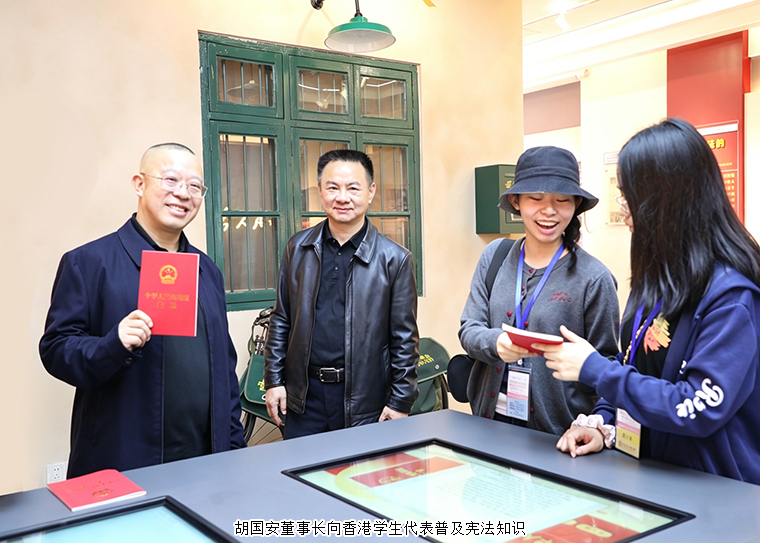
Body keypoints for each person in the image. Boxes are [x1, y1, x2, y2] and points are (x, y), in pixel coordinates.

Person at [545, 118, 760, 485]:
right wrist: (603, 423)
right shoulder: (661, 279)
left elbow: (695, 407)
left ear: (665, 201)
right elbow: (635, 365)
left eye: (629, 196)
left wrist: (595, 370)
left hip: (716, 492)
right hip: (655, 479)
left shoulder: (732, 298)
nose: (623, 208)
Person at [40, 143, 246, 478]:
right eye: (170, 180)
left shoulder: (206, 270)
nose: (183, 193)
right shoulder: (88, 263)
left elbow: (225, 366)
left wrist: (233, 447)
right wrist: (113, 344)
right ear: (139, 184)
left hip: (205, 460)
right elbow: (56, 350)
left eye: (194, 186)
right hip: (123, 459)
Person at [459, 146, 619, 435]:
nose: (549, 210)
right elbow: (469, 329)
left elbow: (606, 367)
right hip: (488, 427)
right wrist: (496, 343)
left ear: (576, 205)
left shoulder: (594, 278)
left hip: (558, 436)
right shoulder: (495, 256)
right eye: (536, 198)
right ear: (516, 201)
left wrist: (596, 427)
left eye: (562, 200)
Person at [264, 149, 419, 439]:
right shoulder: (298, 248)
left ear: (370, 192)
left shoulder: (395, 259)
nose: (342, 197)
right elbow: (282, 318)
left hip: (365, 401)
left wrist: (400, 402)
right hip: (304, 399)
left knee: (362, 469)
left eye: (353, 188)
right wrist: (273, 380)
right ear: (320, 191)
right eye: (333, 187)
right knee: (301, 467)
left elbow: (404, 338)